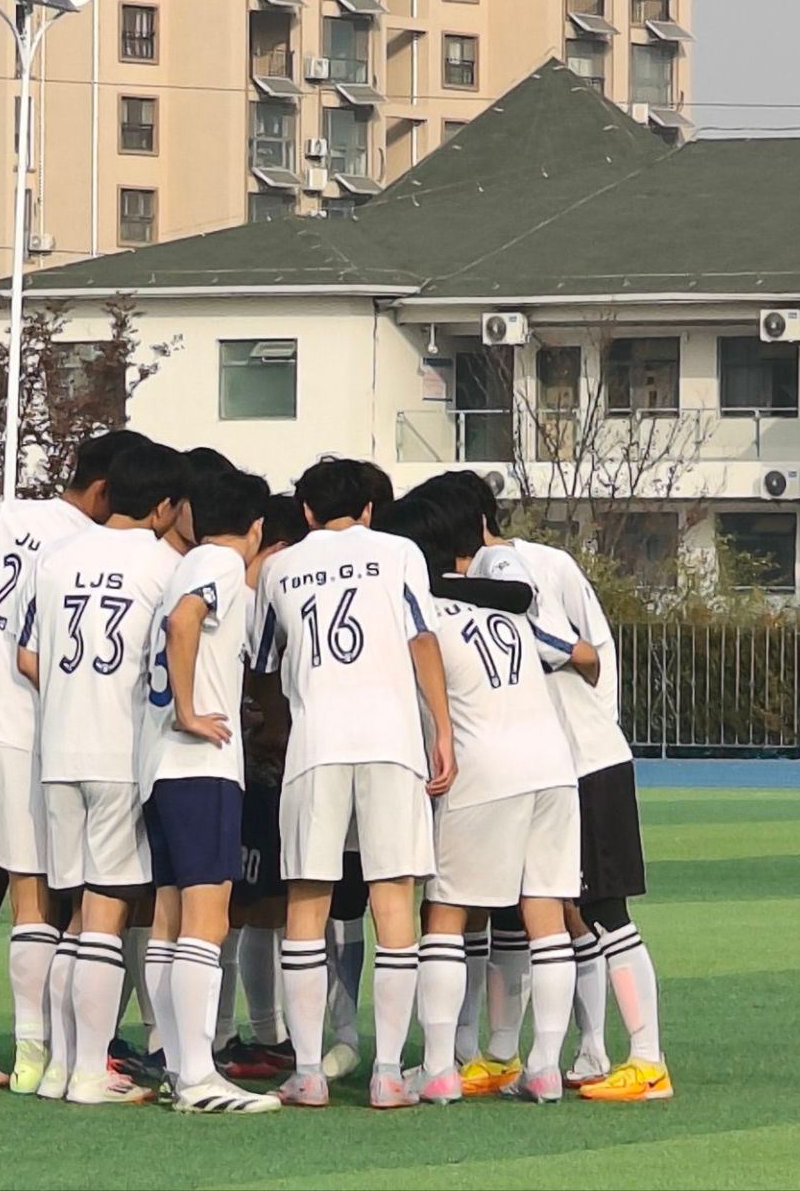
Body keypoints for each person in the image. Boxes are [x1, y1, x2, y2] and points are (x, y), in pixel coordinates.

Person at [0, 428, 153, 1093]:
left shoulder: (5, 514)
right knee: (33, 899)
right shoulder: (86, 546)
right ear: (106, 490)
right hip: (31, 734)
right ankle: (32, 1054)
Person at [434, 471, 671, 1104]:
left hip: (583, 759)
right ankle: (513, 1054)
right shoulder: (511, 565)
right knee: (523, 910)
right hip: (543, 764)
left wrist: (587, 685)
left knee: (599, 912)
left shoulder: (516, 564)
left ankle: (644, 1057)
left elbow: (578, 647)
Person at [253, 458, 456, 1110]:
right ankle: (388, 1072)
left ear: (306, 512)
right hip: (392, 742)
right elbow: (422, 640)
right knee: (392, 898)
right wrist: (442, 730)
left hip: (316, 744)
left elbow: (262, 660)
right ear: (368, 508)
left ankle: (309, 1071)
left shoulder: (281, 567)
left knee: (306, 903)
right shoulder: (398, 553)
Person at [376, 492, 582, 1105]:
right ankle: (545, 1066)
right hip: (553, 764)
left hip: (482, 765)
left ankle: (440, 1066)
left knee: (444, 912)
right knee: (546, 913)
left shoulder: (422, 611)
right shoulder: (502, 607)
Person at [19, 442, 190, 1105]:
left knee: (72, 913)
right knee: (106, 914)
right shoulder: (164, 564)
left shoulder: (57, 557)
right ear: (163, 505)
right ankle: (91, 1071)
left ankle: (62, 1066)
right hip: (120, 753)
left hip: (58, 752)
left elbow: (28, 656)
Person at [137, 467, 282, 1114]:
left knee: (170, 921)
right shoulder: (219, 564)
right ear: (255, 526)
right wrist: (192, 709)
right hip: (200, 766)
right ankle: (198, 1076)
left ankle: (178, 1064)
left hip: (162, 765)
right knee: (206, 918)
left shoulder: (183, 564)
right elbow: (184, 623)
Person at [213, 496, 307, 1084]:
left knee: (268, 902)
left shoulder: (266, 594)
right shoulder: (241, 597)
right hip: (245, 763)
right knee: (233, 904)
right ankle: (220, 1034)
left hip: (270, 764)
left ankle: (267, 1031)